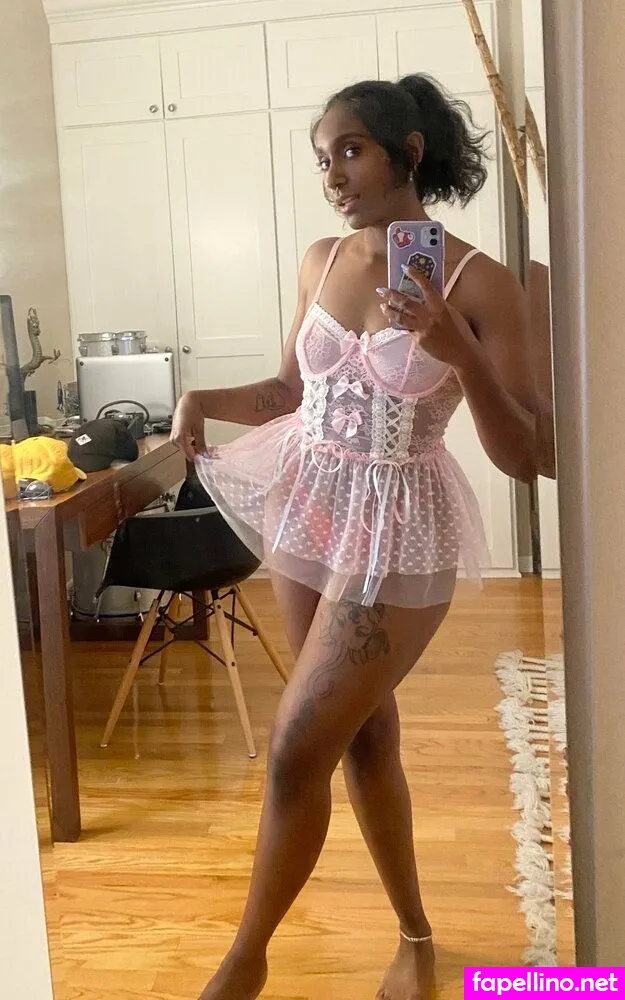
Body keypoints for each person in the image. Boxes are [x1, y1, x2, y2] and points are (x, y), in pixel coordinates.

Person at [171, 74, 548, 1000]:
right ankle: (416, 937)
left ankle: (243, 966)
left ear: (407, 153)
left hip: (397, 528)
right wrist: (200, 400)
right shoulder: (323, 258)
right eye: (323, 159)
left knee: (295, 746)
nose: (333, 176)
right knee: (361, 735)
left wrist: (458, 352)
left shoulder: (478, 282)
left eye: (351, 151)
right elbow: (288, 392)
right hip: (309, 503)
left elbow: (530, 454)